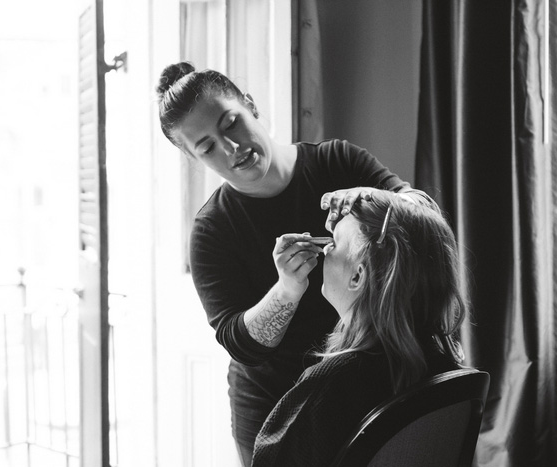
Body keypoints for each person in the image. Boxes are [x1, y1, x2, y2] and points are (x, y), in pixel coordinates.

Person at [156, 61, 427, 466]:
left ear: (250, 106)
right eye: (207, 146)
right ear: (193, 158)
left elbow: (425, 215)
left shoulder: (337, 160)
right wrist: (286, 289)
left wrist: (373, 198)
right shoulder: (212, 231)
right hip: (275, 411)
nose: (231, 148)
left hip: (371, 387)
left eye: (231, 123)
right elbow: (241, 345)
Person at [251, 191, 466, 466]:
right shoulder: (445, 367)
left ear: (357, 275)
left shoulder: (331, 383)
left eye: (333, 244)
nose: (324, 251)